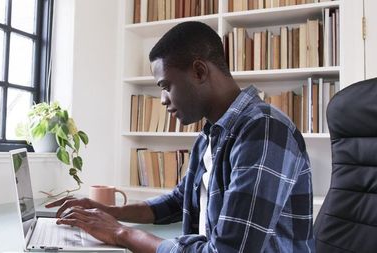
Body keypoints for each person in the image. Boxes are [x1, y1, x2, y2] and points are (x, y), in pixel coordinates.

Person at [45, 21, 315, 253]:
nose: (163, 100)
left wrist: (121, 233)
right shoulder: (211, 133)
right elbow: (178, 200)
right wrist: (108, 212)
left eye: (166, 86)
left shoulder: (264, 129)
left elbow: (229, 251)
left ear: (199, 72)